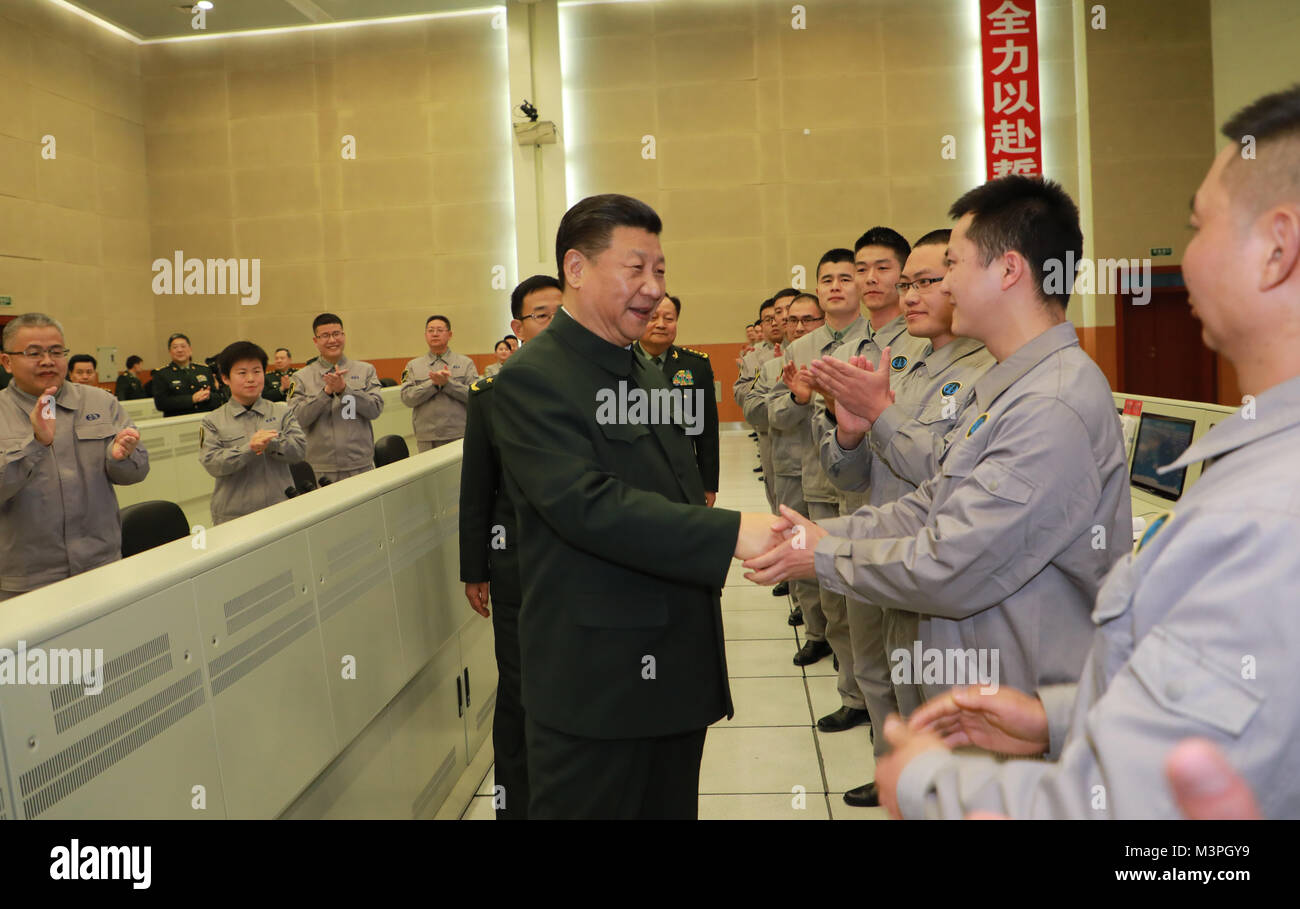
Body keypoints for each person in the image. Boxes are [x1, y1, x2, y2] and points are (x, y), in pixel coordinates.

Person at [865, 85, 1300, 819]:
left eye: (1197, 225)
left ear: (1277, 248)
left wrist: (924, 782)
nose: (1185, 253)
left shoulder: (1267, 514)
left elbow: (1139, 813)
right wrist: (1060, 716)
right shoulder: (1260, 472)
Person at [746, 174, 1134, 805]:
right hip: (979, 692)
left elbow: (953, 560)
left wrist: (818, 554)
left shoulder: (1051, 403)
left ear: (1008, 270)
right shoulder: (1012, 386)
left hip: (1013, 710)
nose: (941, 285)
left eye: (951, 265)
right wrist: (826, 535)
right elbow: (934, 502)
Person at [489, 193, 781, 819]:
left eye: (661, 270)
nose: (653, 289)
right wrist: (730, 532)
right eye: (636, 268)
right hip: (597, 688)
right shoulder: (532, 379)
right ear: (575, 267)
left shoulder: (646, 373)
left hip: (674, 670)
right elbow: (585, 505)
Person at [812, 229, 996, 806]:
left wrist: (882, 415)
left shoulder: (987, 371)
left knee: (942, 717)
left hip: (934, 572)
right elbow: (853, 478)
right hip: (887, 557)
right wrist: (848, 434)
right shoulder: (907, 362)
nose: (908, 295)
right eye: (908, 283)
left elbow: (947, 475)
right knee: (889, 685)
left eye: (925, 282)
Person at [459, 273, 563, 820]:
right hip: (518, 566)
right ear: (518, 328)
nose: (553, 322)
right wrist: (475, 567)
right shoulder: (491, 394)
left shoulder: (605, 386)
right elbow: (478, 487)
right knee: (520, 688)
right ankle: (516, 806)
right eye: (540, 314)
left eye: (560, 311)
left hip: (587, 567)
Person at [768, 249, 872, 727]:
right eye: (825, 278)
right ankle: (854, 696)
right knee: (832, 596)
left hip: (869, 488)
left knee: (869, 597)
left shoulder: (877, 342)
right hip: (817, 482)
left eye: (844, 278)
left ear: (860, 286)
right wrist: (798, 397)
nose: (835, 286)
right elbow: (778, 419)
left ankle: (884, 702)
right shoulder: (800, 350)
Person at [0, 313, 148, 600]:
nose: (47, 360)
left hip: (101, 564)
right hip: (28, 578)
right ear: (7, 361)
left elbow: (138, 472)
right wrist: (35, 445)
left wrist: (121, 459)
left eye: (56, 352)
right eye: (34, 353)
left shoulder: (101, 402)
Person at [748, 293, 830, 640]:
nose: (798, 327)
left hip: (832, 473)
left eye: (807, 320)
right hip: (788, 466)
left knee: (830, 552)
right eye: (791, 320)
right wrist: (797, 399)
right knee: (797, 552)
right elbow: (758, 413)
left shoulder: (833, 360)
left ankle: (839, 636)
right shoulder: (770, 368)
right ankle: (814, 631)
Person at [199, 341, 307, 525]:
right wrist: (249, 448)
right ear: (225, 378)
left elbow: (300, 452)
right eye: (242, 373)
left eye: (257, 371)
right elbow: (213, 464)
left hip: (280, 508)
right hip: (235, 515)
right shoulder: (212, 421)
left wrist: (271, 443)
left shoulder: (282, 412)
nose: (251, 378)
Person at [634, 295, 720, 506]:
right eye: (653, 317)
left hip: (682, 476)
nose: (661, 324)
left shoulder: (696, 366)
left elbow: (706, 431)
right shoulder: (620, 361)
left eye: (669, 319)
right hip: (633, 474)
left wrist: (708, 484)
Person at [287, 313, 384, 483]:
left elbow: (375, 409)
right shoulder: (301, 377)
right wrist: (325, 393)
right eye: (325, 336)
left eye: (336, 334)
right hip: (321, 469)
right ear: (315, 341)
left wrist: (345, 390)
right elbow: (297, 419)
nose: (332, 340)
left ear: (344, 336)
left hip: (360, 465)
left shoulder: (365, 370)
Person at [399, 315, 478, 452]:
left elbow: (475, 397)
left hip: (459, 434)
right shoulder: (413, 366)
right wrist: (433, 385)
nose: (435, 334)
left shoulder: (466, 363)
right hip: (427, 437)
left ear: (450, 334)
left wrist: (448, 385)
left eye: (440, 330)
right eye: (430, 330)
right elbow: (407, 398)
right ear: (425, 335)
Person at [153, 332, 222, 417]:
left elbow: (218, 398)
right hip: (178, 422)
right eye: (175, 347)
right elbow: (161, 404)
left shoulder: (204, 370)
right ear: (170, 352)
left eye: (183, 346)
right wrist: (192, 399)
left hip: (205, 420)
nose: (180, 350)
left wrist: (208, 397)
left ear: (190, 349)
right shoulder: (162, 374)